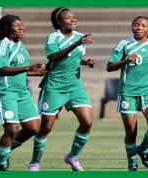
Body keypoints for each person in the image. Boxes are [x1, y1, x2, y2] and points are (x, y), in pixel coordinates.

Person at [27, 7, 97, 171]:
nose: (73, 20)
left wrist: (86, 62)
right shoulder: (53, 37)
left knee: (87, 123)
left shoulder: (80, 37)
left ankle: (72, 157)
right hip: (54, 87)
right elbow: (54, 57)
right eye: (68, 18)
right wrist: (76, 44)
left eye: (74, 17)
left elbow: (74, 58)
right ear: (59, 22)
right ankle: (35, 162)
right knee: (46, 128)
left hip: (75, 86)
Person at [106, 16, 148, 171]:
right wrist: (125, 61)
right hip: (128, 92)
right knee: (131, 132)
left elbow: (147, 65)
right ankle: (132, 163)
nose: (139, 28)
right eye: (136, 25)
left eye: (143, 25)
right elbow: (110, 67)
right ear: (131, 27)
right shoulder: (124, 45)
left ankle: (141, 149)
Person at [0, 14, 47, 171]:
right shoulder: (3, 45)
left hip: (22, 93)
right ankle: (0, 166)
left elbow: (20, 71)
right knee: (12, 129)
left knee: (33, 128)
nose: (22, 28)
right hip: (5, 92)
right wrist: (28, 68)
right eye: (17, 25)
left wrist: (38, 72)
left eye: (22, 25)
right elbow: (2, 70)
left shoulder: (20, 46)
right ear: (6, 29)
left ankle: (4, 149)